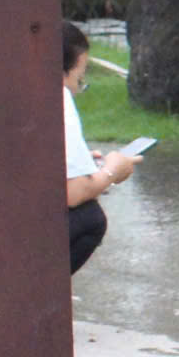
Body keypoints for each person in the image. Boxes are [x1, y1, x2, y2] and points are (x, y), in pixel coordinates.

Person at [63, 20, 137, 274]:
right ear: (62, 72)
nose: (76, 89)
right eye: (79, 79)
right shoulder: (58, 96)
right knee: (89, 218)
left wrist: (82, 163)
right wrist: (111, 173)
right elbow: (74, 192)